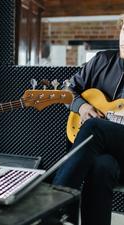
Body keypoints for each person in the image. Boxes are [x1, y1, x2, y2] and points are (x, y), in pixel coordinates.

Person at [52, 14, 124, 225]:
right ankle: (68, 218)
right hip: (104, 154)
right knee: (102, 166)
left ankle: (52, 206)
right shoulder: (101, 60)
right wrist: (82, 107)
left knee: (95, 127)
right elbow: (68, 90)